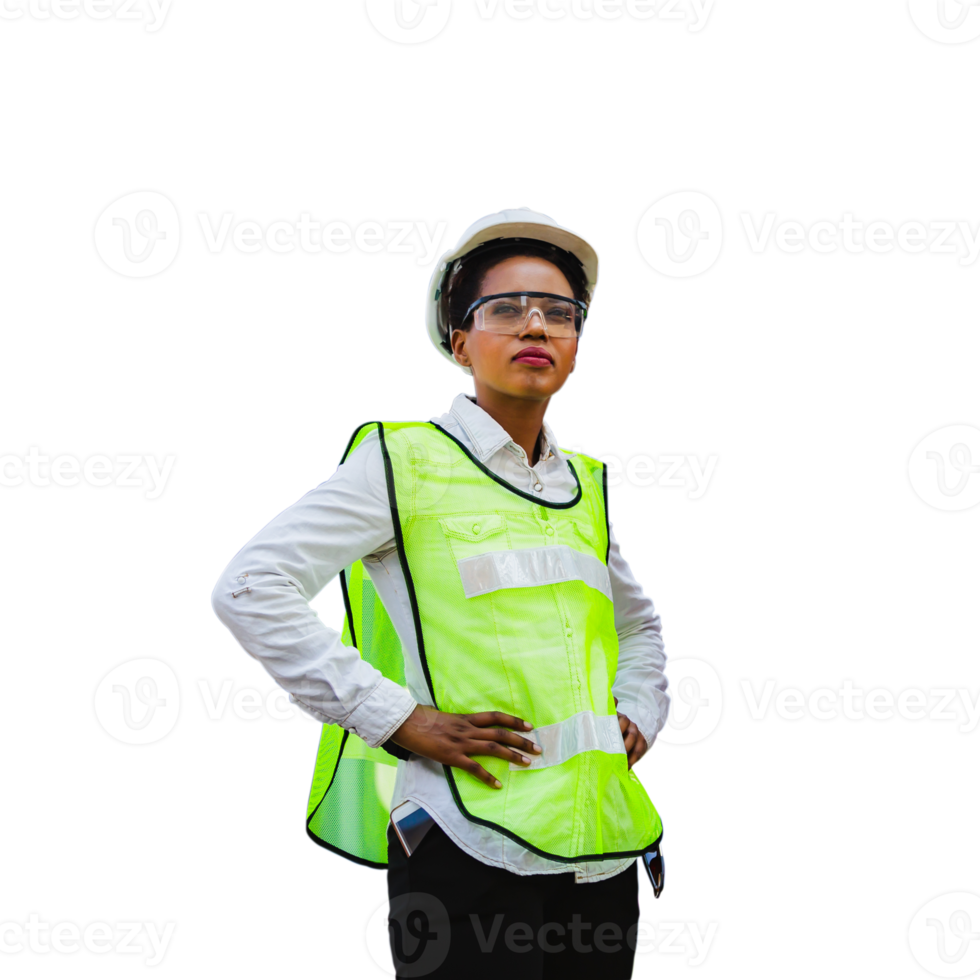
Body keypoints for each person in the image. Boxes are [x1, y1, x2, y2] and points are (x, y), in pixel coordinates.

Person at [210, 206, 670, 978]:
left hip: (599, 848)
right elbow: (252, 586)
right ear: (460, 342)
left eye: (560, 312)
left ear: (579, 341)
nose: (536, 325)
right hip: (464, 841)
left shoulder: (584, 485)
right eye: (506, 308)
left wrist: (642, 710)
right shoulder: (405, 461)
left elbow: (640, 625)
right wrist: (395, 718)